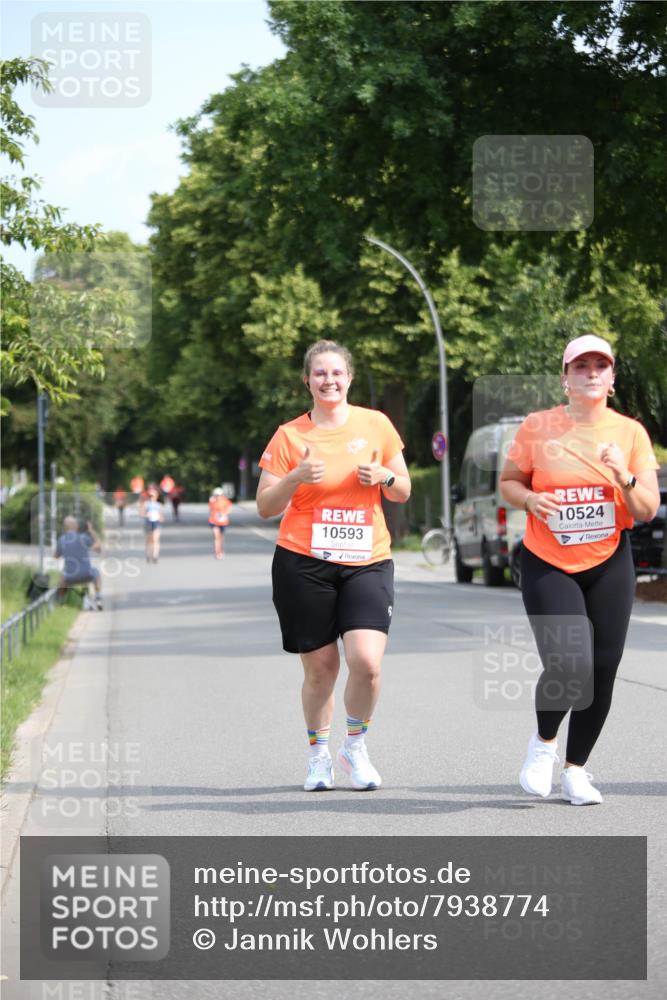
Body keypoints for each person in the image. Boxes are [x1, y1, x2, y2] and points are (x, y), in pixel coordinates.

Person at [499, 334, 660, 805]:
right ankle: (544, 744)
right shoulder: (537, 426)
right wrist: (530, 498)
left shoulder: (630, 433)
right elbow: (508, 483)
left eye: (600, 366)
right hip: (549, 560)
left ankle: (576, 770)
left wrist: (623, 476)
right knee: (570, 663)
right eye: (581, 366)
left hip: (610, 559)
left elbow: (646, 508)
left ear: (611, 380)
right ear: (565, 378)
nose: (591, 372)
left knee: (604, 668)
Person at [256, 339, 411, 792]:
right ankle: (319, 755)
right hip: (304, 562)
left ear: (350, 378)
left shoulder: (376, 424)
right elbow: (266, 505)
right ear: (307, 380)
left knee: (366, 662)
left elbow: (402, 489)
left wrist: (384, 477)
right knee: (321, 668)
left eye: (337, 373)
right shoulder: (290, 436)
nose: (329, 380)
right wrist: (295, 477)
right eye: (320, 373)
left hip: (367, 560)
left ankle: (355, 747)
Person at [55, 516, 103, 609]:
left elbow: (56, 556)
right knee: (96, 573)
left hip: (70, 577)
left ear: (65, 527)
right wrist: (91, 531)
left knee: (62, 576)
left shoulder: (61, 540)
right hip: (87, 575)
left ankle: (60, 601)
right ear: (75, 526)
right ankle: (98, 597)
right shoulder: (83, 538)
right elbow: (98, 548)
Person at [141, 484, 164, 562]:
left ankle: (155, 556)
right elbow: (141, 513)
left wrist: (160, 518)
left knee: (155, 539)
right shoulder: (146, 504)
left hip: (156, 522)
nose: (151, 497)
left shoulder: (159, 505)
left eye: (153, 496)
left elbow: (161, 516)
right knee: (149, 540)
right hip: (148, 522)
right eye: (150, 496)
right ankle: (148, 554)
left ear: (156, 496)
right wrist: (146, 515)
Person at [208, 487, 232, 558]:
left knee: (221, 537)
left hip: (223, 522)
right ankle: (217, 552)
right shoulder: (212, 501)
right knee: (216, 536)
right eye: (216, 495)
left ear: (222, 495)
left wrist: (223, 514)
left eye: (219, 495)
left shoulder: (225, 501)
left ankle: (221, 549)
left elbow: (229, 510)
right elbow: (210, 510)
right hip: (213, 521)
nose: (217, 496)